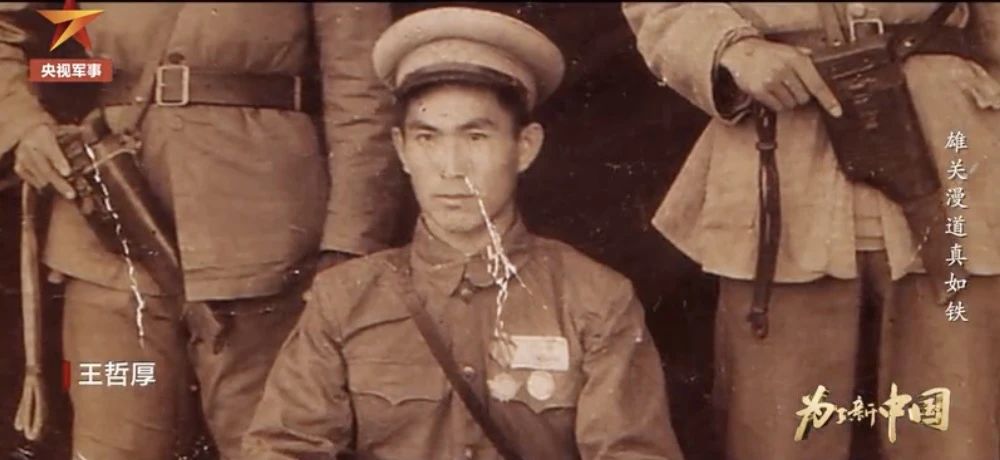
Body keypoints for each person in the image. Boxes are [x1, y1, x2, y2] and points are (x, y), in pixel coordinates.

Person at [243, 7, 686, 460]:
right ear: (402, 149)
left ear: (525, 147)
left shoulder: (594, 300)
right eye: (428, 138)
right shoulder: (344, 300)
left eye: (476, 137)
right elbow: (283, 448)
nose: (451, 168)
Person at [0, 3, 403, 459]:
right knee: (112, 444)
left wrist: (348, 241)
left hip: (265, 250)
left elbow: (362, 89)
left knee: (274, 444)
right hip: (108, 236)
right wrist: (22, 126)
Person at [623, 3, 1000, 460]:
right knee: (780, 436)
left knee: (957, 431)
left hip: (953, 154)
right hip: (784, 154)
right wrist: (730, 48)